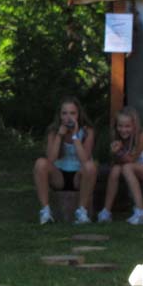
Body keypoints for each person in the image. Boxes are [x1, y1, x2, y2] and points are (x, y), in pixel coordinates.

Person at [99, 106, 143, 225]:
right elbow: (118, 162)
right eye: (120, 126)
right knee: (116, 169)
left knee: (127, 168)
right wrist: (115, 154)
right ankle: (106, 212)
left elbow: (132, 159)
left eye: (127, 126)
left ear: (135, 126)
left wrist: (119, 151)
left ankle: (141, 212)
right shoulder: (118, 138)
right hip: (138, 166)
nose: (123, 130)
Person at [33, 96, 97, 225]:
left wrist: (74, 136)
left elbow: (85, 160)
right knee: (40, 163)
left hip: (79, 176)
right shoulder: (54, 131)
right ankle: (45, 212)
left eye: (72, 113)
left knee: (91, 166)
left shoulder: (87, 131)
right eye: (65, 113)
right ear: (60, 116)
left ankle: (82, 212)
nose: (68, 117)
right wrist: (60, 135)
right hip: (59, 175)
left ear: (78, 115)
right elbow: (51, 159)